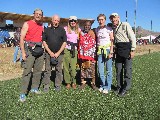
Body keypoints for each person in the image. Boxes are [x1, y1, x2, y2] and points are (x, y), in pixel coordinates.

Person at [19, 8, 44, 102]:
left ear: (42, 16)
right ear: (33, 14)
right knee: (27, 71)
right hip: (29, 50)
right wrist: (23, 52)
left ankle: (34, 88)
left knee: (38, 71)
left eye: (40, 14)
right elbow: (21, 38)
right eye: (36, 14)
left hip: (40, 50)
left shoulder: (42, 25)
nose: (38, 15)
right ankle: (23, 93)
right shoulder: (27, 23)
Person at [109, 13, 136, 97]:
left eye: (115, 17)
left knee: (127, 70)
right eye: (112, 18)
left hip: (127, 49)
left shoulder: (125, 24)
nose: (114, 19)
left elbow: (132, 37)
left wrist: (133, 50)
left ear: (118, 17)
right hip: (118, 50)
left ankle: (125, 88)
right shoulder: (112, 28)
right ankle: (119, 87)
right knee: (118, 70)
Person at [42, 15, 67, 92]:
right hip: (48, 53)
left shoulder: (62, 30)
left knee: (59, 70)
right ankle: (46, 85)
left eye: (57, 21)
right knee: (47, 70)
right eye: (55, 20)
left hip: (59, 54)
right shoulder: (47, 30)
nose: (56, 22)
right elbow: (44, 41)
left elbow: (64, 42)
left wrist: (58, 53)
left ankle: (58, 85)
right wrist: (50, 52)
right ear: (52, 20)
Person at [95, 14, 114, 94]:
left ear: (105, 20)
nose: (100, 21)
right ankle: (102, 85)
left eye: (102, 19)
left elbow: (112, 41)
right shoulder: (97, 30)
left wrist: (111, 51)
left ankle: (108, 86)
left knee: (108, 70)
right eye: (99, 19)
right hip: (100, 51)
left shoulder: (109, 29)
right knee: (101, 70)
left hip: (107, 50)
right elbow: (97, 40)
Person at [63, 16, 81, 89]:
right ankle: (68, 82)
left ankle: (73, 82)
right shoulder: (65, 29)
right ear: (69, 22)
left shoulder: (79, 30)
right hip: (67, 49)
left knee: (73, 67)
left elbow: (84, 37)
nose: (73, 22)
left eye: (74, 21)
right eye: (71, 21)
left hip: (75, 50)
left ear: (76, 22)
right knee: (66, 67)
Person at [78, 21, 97, 90]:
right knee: (83, 69)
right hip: (83, 54)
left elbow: (94, 43)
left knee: (92, 69)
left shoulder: (93, 33)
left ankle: (93, 83)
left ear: (90, 26)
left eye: (88, 25)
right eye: (85, 25)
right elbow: (80, 42)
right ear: (84, 26)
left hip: (91, 54)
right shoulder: (81, 33)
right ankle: (83, 82)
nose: (87, 26)